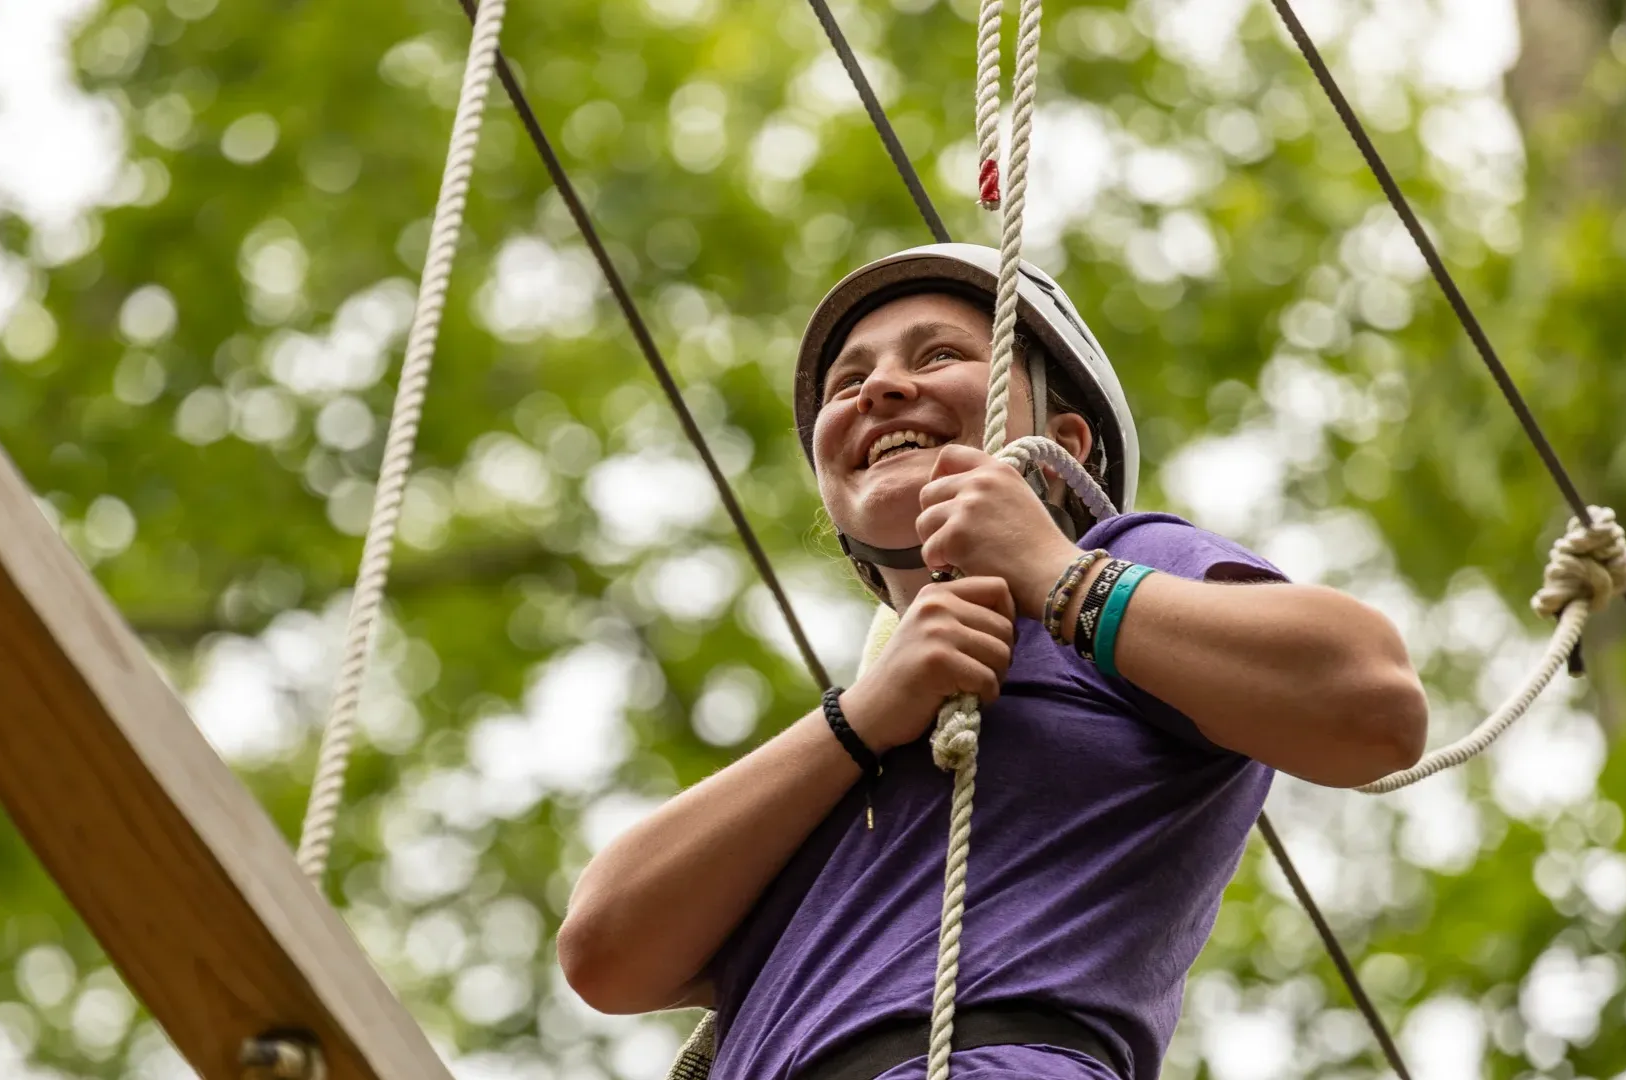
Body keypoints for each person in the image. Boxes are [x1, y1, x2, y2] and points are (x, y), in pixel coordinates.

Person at [556, 244, 1429, 1080]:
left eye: (938, 356)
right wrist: (864, 718)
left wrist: (1054, 572)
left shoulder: (1132, 567)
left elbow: (1371, 703)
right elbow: (602, 952)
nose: (883, 389)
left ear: (1068, 445)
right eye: (848, 382)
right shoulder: (838, 751)